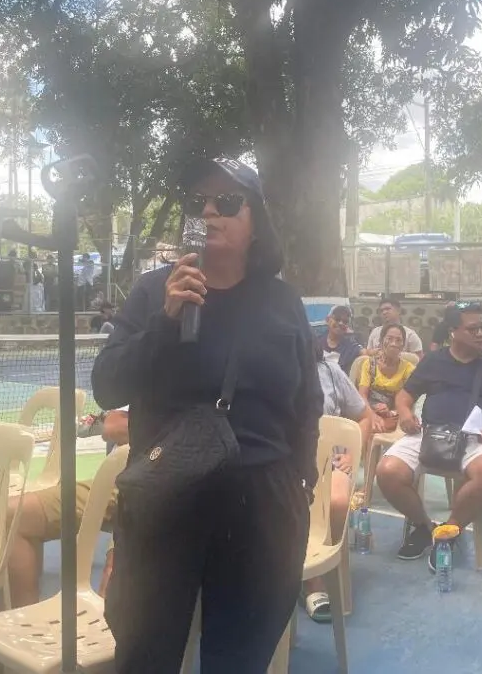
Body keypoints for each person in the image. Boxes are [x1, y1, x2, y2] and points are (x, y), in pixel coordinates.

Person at [91, 157, 321, 673]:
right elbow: (107, 386)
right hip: (166, 504)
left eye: (228, 203)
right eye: (199, 203)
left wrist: (300, 481)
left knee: (238, 660)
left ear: (255, 221)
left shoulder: (283, 302)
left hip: (262, 507)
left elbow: (307, 401)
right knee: (144, 654)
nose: (211, 212)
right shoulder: (154, 291)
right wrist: (165, 323)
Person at [375, 303, 482, 571]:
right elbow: (405, 395)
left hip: (477, 440)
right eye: (473, 329)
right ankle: (423, 526)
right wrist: (405, 413)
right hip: (430, 433)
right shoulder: (434, 360)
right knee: (387, 471)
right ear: (453, 332)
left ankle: (449, 531)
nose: (481, 333)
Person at [5, 408, 131, 607]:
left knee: (113, 576)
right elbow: (113, 428)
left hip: (155, 491)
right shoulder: (137, 385)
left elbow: (119, 427)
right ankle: (25, 620)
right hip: (114, 483)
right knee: (14, 515)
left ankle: (107, 633)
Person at [305, 337, 382, 623]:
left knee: (336, 501)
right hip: (283, 459)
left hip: (331, 457)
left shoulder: (329, 372)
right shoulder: (262, 370)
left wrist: (351, 452)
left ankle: (317, 577)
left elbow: (364, 415)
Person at [357, 322, 415, 433]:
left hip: (393, 416)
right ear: (381, 341)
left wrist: (391, 412)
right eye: (389, 338)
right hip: (368, 411)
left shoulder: (408, 369)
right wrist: (372, 415)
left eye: (399, 340)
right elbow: (362, 395)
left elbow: (408, 401)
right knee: (366, 426)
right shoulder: (369, 364)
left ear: (403, 345)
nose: (394, 343)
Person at [319, 304, 363, 374]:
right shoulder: (315, 343)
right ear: (327, 320)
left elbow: (365, 352)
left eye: (345, 321)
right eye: (337, 319)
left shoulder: (350, 346)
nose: (341, 323)